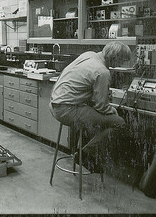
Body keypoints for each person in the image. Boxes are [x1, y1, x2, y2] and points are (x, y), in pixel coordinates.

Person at [49, 41, 132, 172]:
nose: (119, 65)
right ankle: (86, 154)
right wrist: (113, 110)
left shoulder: (89, 55)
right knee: (119, 123)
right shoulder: (102, 72)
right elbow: (102, 107)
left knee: (96, 119)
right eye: (121, 61)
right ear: (115, 58)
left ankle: (81, 150)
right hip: (67, 110)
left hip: (55, 104)